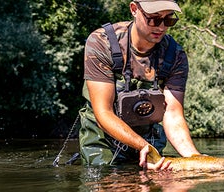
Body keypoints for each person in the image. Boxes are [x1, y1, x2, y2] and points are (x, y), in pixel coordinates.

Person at [78, 0, 201, 170]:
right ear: (134, 10)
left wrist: (193, 157)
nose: (161, 27)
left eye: (169, 20)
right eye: (154, 19)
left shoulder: (175, 55)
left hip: (149, 140)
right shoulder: (102, 43)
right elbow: (103, 113)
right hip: (103, 141)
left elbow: (172, 114)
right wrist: (143, 146)